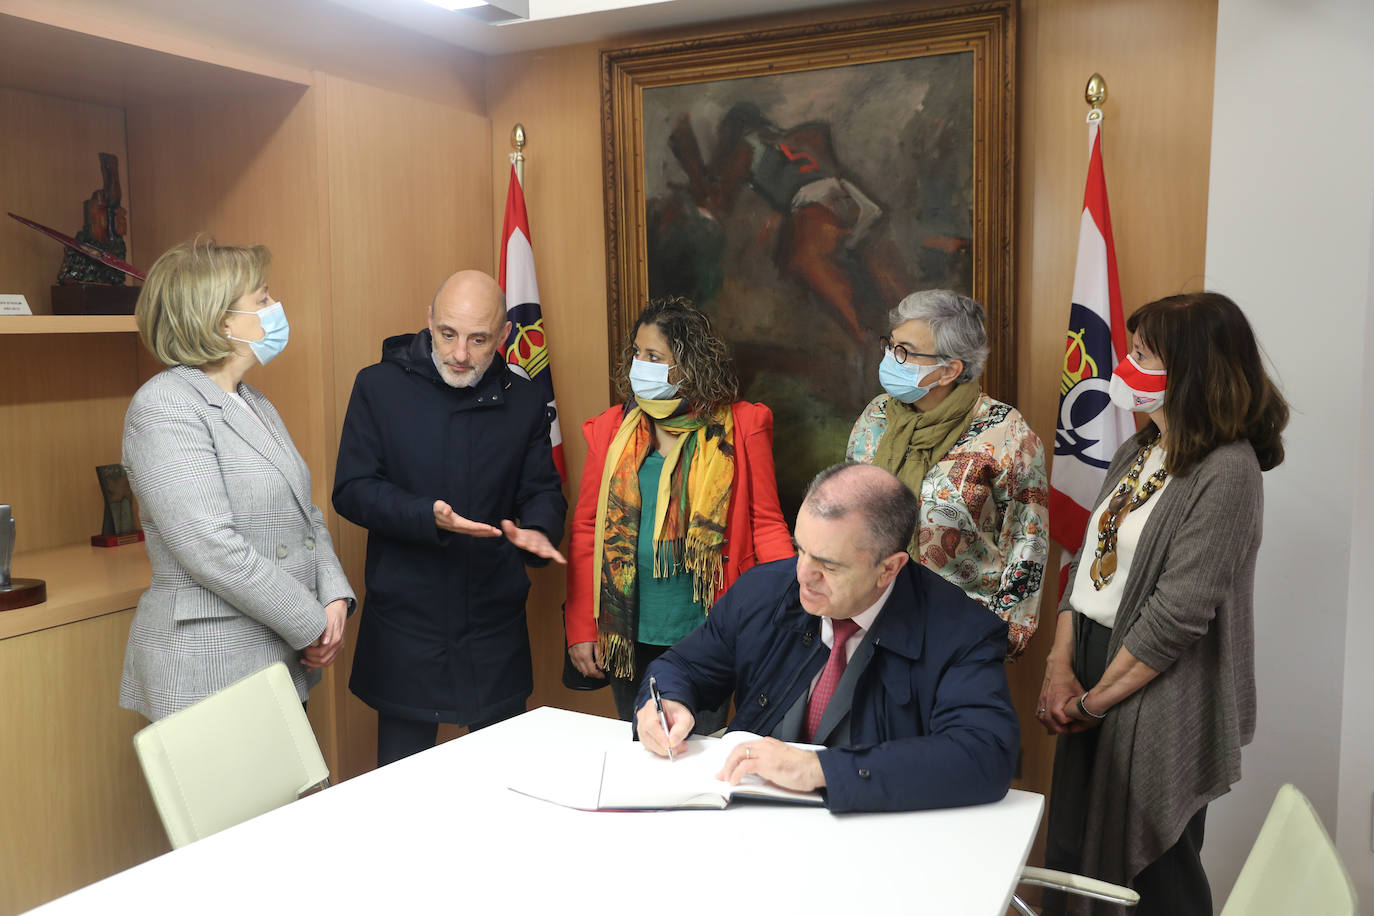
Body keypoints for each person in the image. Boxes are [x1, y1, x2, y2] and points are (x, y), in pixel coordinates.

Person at [1036, 292, 1289, 915]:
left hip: (1158, 687)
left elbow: (1178, 615)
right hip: (1094, 665)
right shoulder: (1141, 448)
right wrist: (1059, 666)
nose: (1125, 365)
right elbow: (1089, 566)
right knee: (1075, 845)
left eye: (1143, 354)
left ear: (1193, 372)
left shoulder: (1228, 471)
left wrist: (1095, 701)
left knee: (1153, 872)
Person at [636, 462, 1019, 812]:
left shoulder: (961, 632)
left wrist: (821, 769)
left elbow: (984, 754)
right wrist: (665, 700)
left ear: (889, 568)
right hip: (751, 818)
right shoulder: (763, 590)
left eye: (829, 565)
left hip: (882, 832)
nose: (803, 574)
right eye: (800, 549)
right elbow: (682, 665)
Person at [334, 269, 566, 768]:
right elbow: (352, 490)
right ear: (429, 322)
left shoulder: (525, 399)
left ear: (504, 336)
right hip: (406, 628)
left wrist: (539, 529)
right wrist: (426, 516)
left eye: (479, 340)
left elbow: (542, 489)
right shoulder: (378, 386)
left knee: (502, 785)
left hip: (492, 626)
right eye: (448, 334)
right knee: (403, 791)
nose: (460, 354)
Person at [120, 238, 354, 721]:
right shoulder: (164, 405)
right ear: (223, 320)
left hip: (275, 657)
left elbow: (304, 513)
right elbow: (210, 547)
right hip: (210, 666)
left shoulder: (253, 400)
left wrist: (333, 598)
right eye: (263, 299)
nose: (274, 309)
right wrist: (310, 622)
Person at [564, 297, 793, 730]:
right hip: (626, 631)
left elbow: (766, 523)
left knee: (698, 751)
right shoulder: (612, 428)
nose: (639, 365)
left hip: (711, 631)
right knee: (640, 745)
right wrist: (580, 627)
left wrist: (791, 609)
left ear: (688, 365)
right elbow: (587, 530)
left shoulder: (742, 425)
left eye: (654, 356)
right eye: (637, 353)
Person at [848, 289, 1048, 659]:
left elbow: (1027, 544)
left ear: (950, 369)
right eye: (890, 346)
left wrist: (996, 640)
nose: (892, 358)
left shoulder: (1006, 434)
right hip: (867, 627)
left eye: (905, 352)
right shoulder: (875, 417)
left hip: (957, 640)